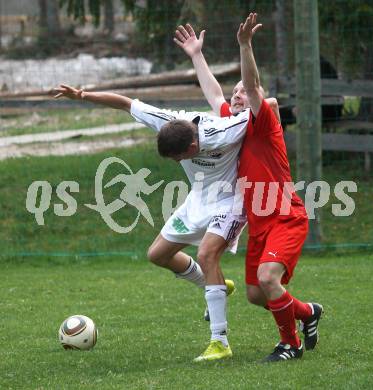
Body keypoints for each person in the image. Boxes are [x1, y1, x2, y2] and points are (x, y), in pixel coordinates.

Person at [52, 84, 250, 362]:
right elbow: (124, 102)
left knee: (206, 255)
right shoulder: (169, 122)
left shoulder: (226, 132)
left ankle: (220, 341)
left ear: (193, 147)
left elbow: (265, 112)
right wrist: (83, 96)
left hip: (229, 202)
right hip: (197, 200)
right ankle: (214, 285)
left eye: (178, 157)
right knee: (157, 255)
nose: (176, 162)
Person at [175, 14, 323, 362]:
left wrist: (245, 45)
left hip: (285, 215)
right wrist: (197, 55)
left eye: (242, 91)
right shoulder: (233, 126)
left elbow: (255, 88)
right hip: (259, 223)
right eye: (235, 92)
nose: (237, 95)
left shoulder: (263, 121)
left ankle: (290, 345)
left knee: (268, 279)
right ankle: (308, 313)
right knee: (257, 294)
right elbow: (213, 93)